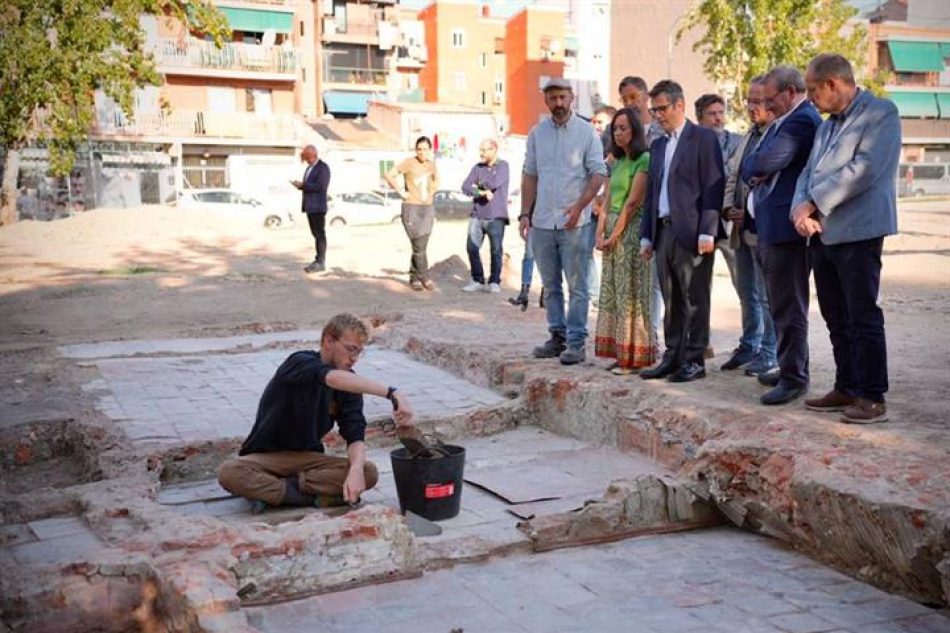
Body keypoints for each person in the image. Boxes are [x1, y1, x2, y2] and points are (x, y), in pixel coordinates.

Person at [792, 53, 900, 423]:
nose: (809, 98)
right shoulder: (825, 126)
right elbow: (808, 171)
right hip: (822, 234)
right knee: (835, 314)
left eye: (812, 90)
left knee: (862, 315)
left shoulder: (881, 114)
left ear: (834, 83)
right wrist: (800, 210)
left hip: (858, 232)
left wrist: (813, 204)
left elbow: (863, 171)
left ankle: (872, 395)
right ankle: (847, 386)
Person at [218, 313, 416, 511]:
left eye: (359, 352)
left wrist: (355, 471)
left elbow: (355, 435)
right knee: (230, 472)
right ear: (328, 340)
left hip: (308, 461)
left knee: (368, 472)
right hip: (267, 458)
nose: (354, 359)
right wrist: (391, 393)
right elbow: (331, 378)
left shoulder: (349, 384)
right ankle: (312, 497)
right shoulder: (299, 362)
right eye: (350, 349)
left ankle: (274, 494)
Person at [741, 65, 822, 406]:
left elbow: (761, 163)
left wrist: (758, 165)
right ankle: (788, 365)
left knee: (789, 307)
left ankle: (794, 378)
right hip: (771, 228)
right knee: (779, 305)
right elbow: (753, 163)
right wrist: (757, 165)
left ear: (790, 92)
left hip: (788, 231)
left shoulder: (801, 120)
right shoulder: (784, 120)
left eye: (771, 98)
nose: (768, 105)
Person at [639, 80, 725, 383]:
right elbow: (652, 192)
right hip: (663, 232)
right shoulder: (659, 145)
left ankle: (694, 359)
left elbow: (714, 186)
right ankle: (673, 356)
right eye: (654, 110)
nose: (657, 115)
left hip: (692, 233)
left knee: (694, 298)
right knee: (671, 298)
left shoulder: (702, 138)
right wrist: (647, 235)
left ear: (679, 105)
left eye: (662, 108)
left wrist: (708, 231)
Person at [521, 77, 608, 365]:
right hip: (543, 221)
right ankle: (557, 337)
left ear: (571, 98)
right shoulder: (536, 134)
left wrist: (579, 207)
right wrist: (525, 213)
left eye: (562, 97)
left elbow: (598, 174)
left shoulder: (586, 133)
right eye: (552, 98)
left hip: (576, 223)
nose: (558, 103)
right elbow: (530, 174)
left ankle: (576, 342)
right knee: (550, 284)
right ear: (546, 101)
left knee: (578, 285)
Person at [721, 77, 778, 379]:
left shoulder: (777, 135)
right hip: (739, 230)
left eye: (758, 101)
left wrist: (749, 212)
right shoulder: (749, 136)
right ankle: (750, 344)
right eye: (749, 101)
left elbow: (770, 181)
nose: (753, 107)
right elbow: (734, 175)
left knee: (767, 295)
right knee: (747, 293)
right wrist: (729, 208)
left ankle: (769, 353)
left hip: (763, 229)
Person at [594, 108, 656, 374]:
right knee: (615, 292)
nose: (618, 133)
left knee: (631, 292)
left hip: (630, 232)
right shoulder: (616, 162)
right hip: (612, 230)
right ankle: (621, 353)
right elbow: (607, 200)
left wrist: (614, 235)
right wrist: (599, 233)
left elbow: (632, 204)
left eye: (623, 128)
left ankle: (636, 357)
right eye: (615, 129)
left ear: (635, 130)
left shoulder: (644, 159)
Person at [619, 75, 665, 350]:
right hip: (629, 216)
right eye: (625, 100)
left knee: (657, 284)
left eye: (634, 97)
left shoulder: (662, 129)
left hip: (658, 213)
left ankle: (655, 338)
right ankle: (633, 341)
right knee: (632, 284)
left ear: (646, 95)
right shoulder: (622, 132)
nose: (631, 103)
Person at [385, 136, 439, 291]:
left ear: (430, 150)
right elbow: (389, 174)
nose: (422, 152)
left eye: (425, 149)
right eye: (419, 149)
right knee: (418, 245)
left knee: (421, 245)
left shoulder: (432, 165)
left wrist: (431, 192)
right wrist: (401, 191)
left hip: (427, 208)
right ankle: (424, 276)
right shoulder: (409, 162)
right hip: (411, 208)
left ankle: (414, 277)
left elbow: (436, 182)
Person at [460, 138, 510, 293]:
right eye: (480, 150)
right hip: (477, 215)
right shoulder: (477, 167)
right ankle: (477, 279)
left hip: (496, 216)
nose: (481, 153)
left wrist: (480, 185)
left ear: (494, 149)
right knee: (472, 248)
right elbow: (465, 187)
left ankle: (494, 281)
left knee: (496, 250)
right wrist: (481, 192)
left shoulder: (503, 166)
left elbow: (493, 183)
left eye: (484, 150)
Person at [292, 144, 331, 274]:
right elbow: (310, 186)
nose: (305, 159)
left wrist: (304, 185)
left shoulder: (322, 168)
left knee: (320, 234)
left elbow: (321, 186)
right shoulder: (309, 168)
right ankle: (318, 259)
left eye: (306, 157)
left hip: (318, 206)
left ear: (312, 154)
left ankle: (321, 262)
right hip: (310, 206)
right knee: (315, 234)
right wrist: (301, 186)